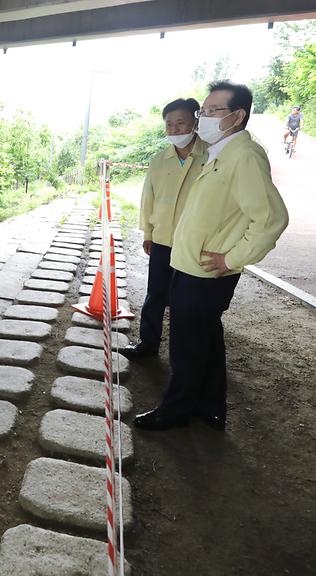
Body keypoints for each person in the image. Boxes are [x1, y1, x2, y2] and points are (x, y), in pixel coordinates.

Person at [134, 80, 289, 432]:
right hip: (190, 265)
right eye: (203, 110)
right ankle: (210, 406)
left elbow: (271, 218)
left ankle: (174, 411)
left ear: (237, 116)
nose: (203, 117)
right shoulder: (222, 151)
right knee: (206, 339)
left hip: (205, 271)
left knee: (186, 345)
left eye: (212, 111)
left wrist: (233, 258)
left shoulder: (244, 156)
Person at [122, 98, 207, 360]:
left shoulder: (212, 155)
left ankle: (188, 353)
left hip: (196, 242)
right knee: (155, 293)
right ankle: (148, 344)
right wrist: (148, 233)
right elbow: (148, 199)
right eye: (169, 124)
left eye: (180, 122)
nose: (175, 129)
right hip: (162, 239)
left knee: (190, 301)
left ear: (196, 121)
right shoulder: (159, 160)